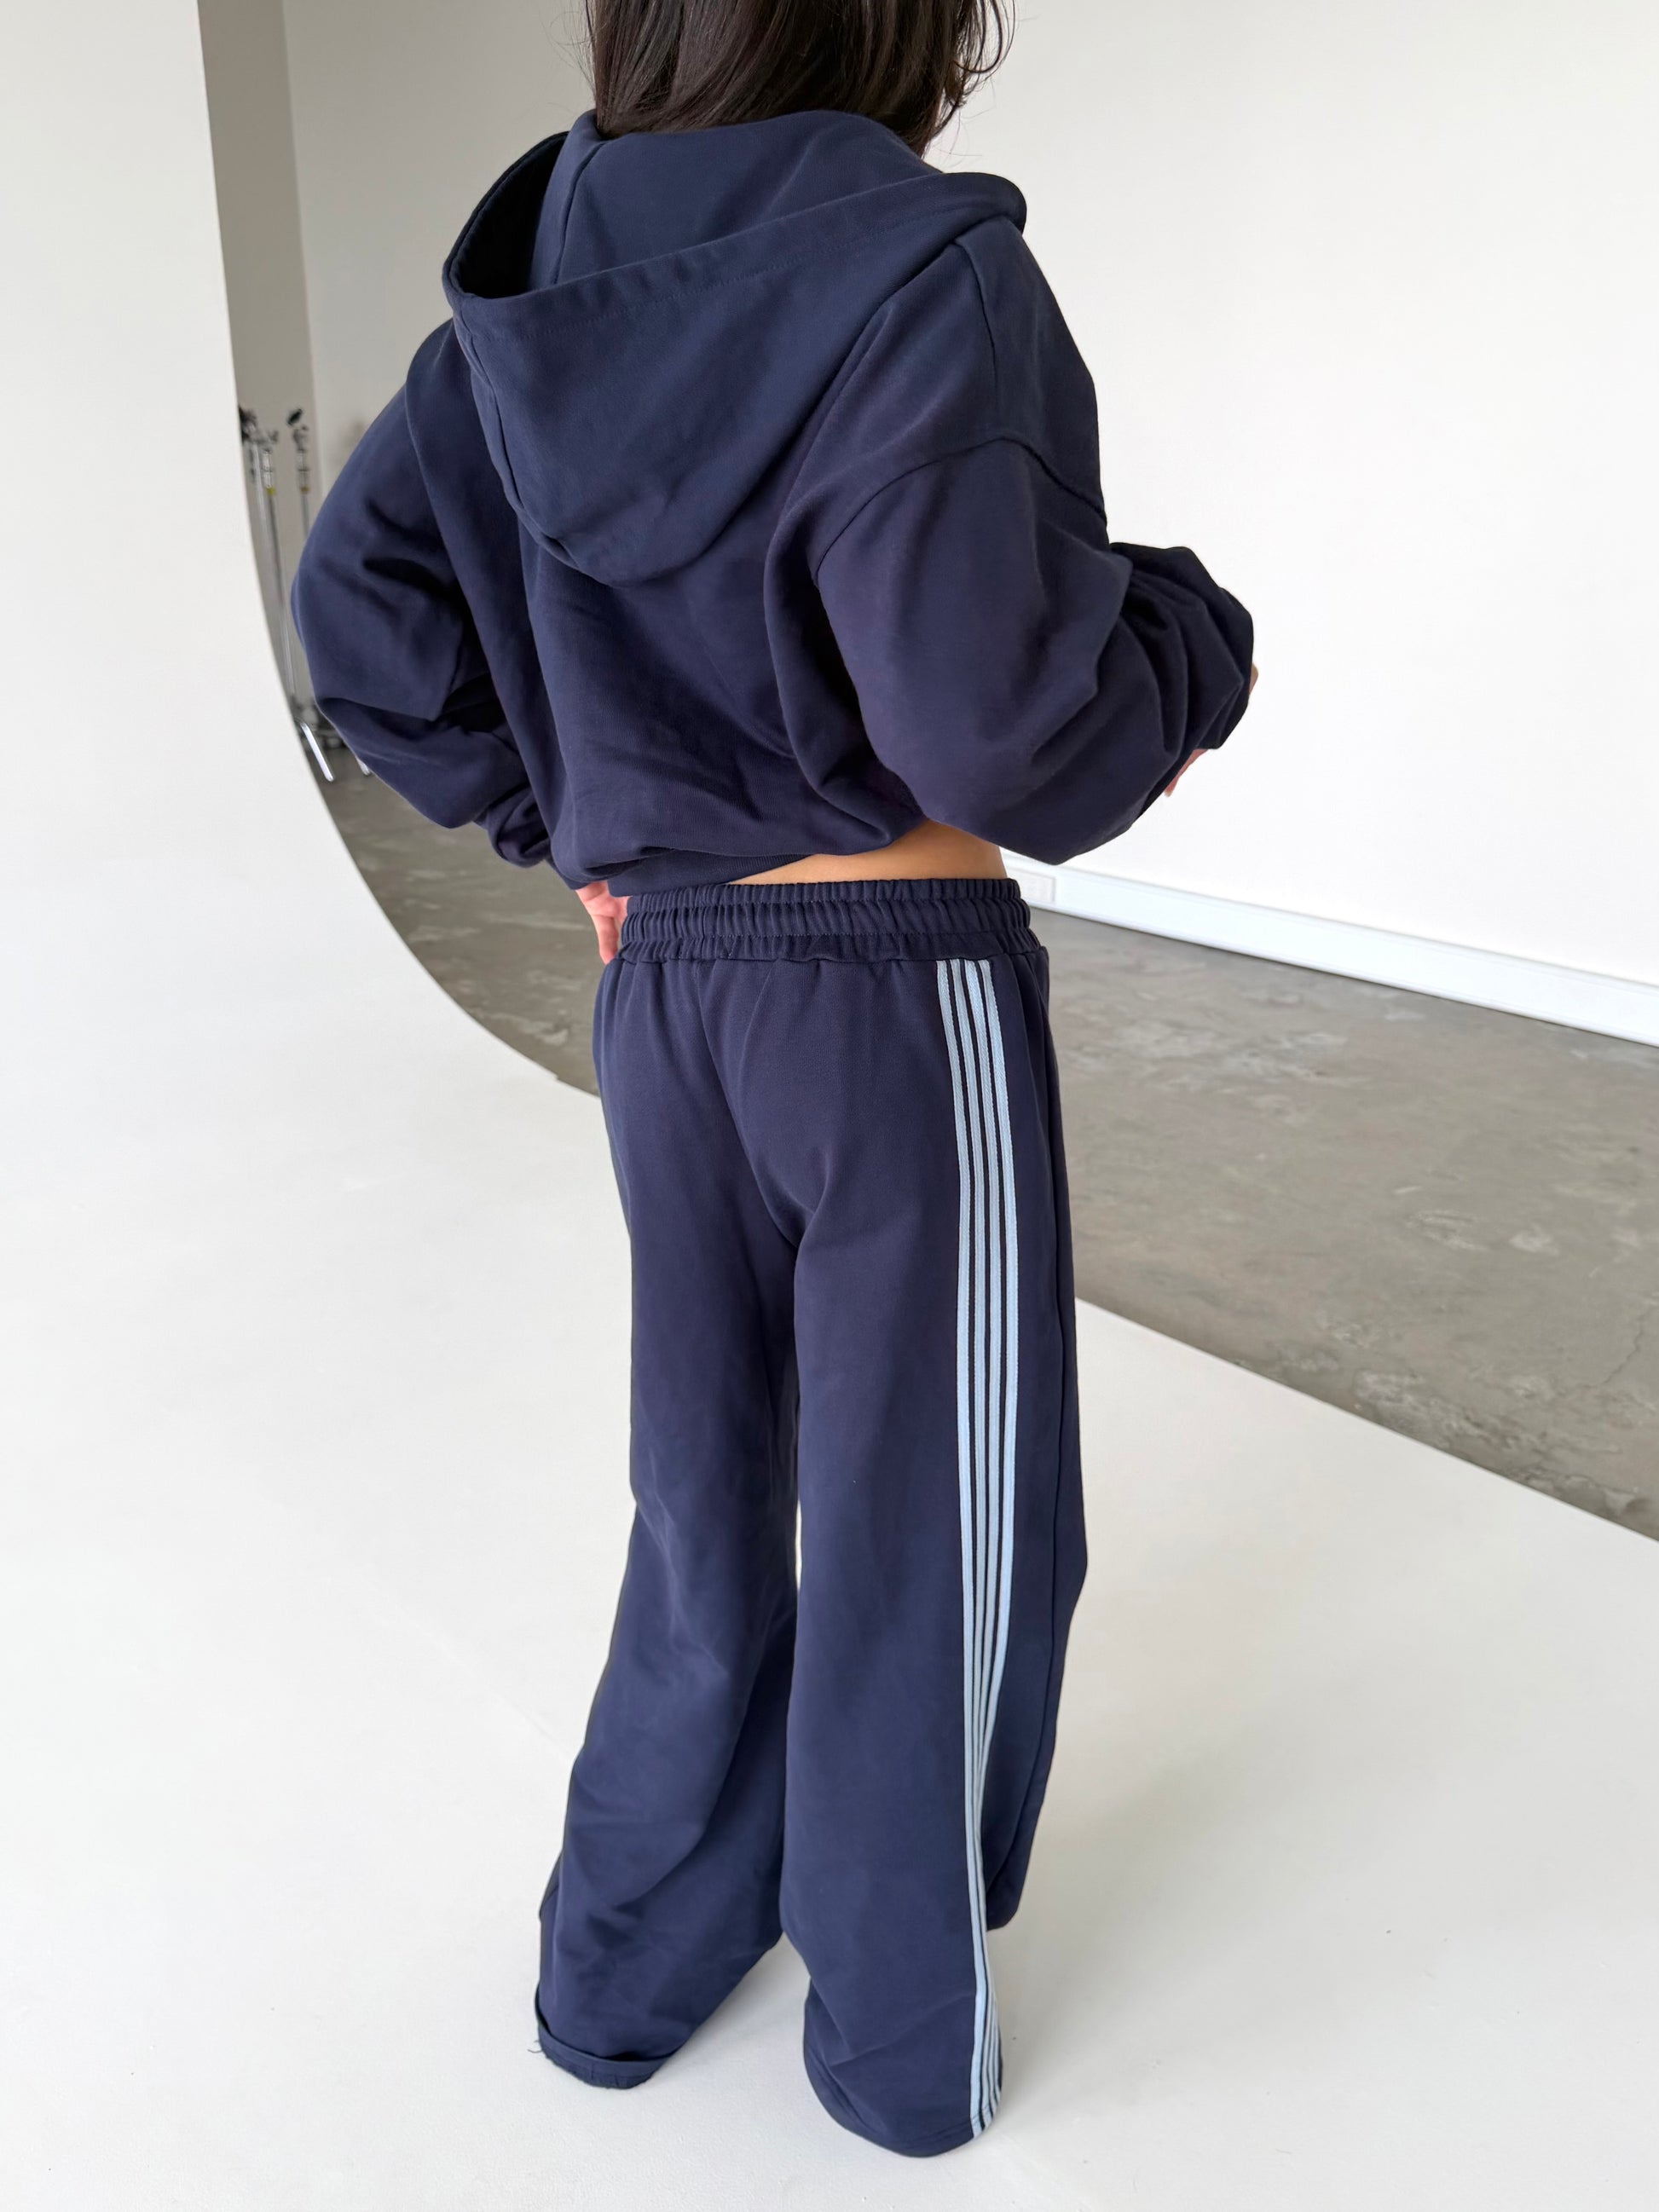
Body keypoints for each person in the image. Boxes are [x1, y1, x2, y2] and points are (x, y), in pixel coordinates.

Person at [292, 0, 1254, 2159]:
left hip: (665, 1000)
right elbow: (998, 726)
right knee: (944, 1522)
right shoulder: (926, 273)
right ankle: (899, 2045)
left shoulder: (519, 322)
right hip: (896, 994)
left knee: (705, 1493)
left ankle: (618, 1972)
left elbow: (361, 620)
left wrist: (566, 827)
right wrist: (1190, 649)